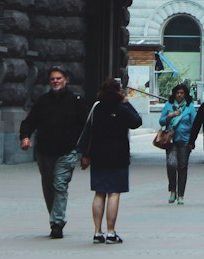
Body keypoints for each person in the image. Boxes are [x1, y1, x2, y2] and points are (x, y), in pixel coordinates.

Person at [19, 64, 87, 237]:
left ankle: (57, 222)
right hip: (44, 152)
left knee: (60, 185)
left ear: (66, 80)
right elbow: (29, 122)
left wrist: (86, 153)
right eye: (52, 79)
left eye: (59, 78)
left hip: (67, 152)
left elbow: (86, 128)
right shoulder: (43, 101)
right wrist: (25, 137)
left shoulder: (76, 101)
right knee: (49, 187)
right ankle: (55, 216)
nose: (56, 81)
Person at [77, 76, 142, 243]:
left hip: (98, 155)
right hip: (118, 156)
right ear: (119, 91)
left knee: (99, 193)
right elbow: (137, 122)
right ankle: (111, 232)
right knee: (114, 193)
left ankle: (97, 232)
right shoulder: (122, 108)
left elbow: (88, 129)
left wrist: (85, 154)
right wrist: (127, 102)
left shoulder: (97, 107)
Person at [160, 82, 198, 203]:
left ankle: (181, 194)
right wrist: (169, 116)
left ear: (186, 95)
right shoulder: (169, 105)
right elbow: (161, 121)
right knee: (171, 165)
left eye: (182, 93)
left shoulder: (189, 107)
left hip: (184, 140)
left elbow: (194, 124)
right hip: (170, 140)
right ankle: (172, 191)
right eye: (177, 93)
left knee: (182, 167)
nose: (179, 95)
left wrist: (192, 141)